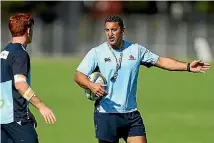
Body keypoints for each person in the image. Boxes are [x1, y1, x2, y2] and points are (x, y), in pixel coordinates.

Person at [74, 15, 211, 143]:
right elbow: (78, 75)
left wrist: (187, 66)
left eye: (114, 30)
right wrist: (91, 85)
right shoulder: (96, 52)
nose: (110, 33)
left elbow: (162, 61)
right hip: (106, 114)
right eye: (107, 30)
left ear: (123, 31)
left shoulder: (136, 50)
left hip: (131, 114)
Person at [0, 13, 56, 143]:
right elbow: (20, 84)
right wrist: (41, 106)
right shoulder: (20, 54)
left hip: (3, 118)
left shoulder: (5, 51)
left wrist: (26, 110)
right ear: (28, 30)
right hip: (16, 119)